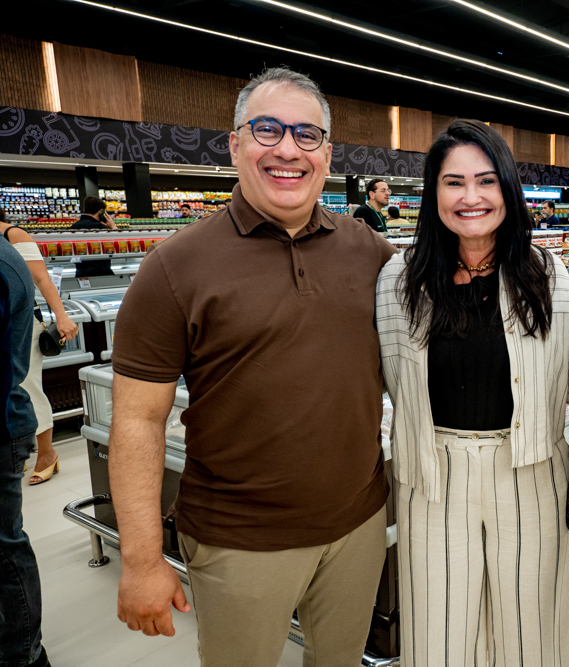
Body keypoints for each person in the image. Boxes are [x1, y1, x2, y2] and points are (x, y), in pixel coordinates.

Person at [110, 66, 397, 667]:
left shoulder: (371, 252)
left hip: (360, 525)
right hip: (237, 541)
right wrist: (141, 558)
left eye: (307, 135)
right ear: (235, 144)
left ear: (326, 153)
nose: (288, 149)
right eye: (267, 130)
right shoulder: (174, 267)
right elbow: (137, 420)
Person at [376, 119, 569, 667]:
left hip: (529, 468)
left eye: (486, 181)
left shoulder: (547, 273)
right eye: (453, 183)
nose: (470, 197)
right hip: (432, 475)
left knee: (532, 626)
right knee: (438, 628)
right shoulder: (398, 277)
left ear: (507, 189)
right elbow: (383, 376)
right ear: (433, 194)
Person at [0, 210, 80, 484]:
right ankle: (16, 454)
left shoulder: (13, 234)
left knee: (26, 386)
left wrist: (62, 316)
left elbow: (42, 278)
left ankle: (46, 453)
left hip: (22, 323)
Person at [0, 233, 49, 667]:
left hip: (3, 426)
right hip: (9, 420)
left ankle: (24, 655)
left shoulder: (4, 260)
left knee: (4, 548)